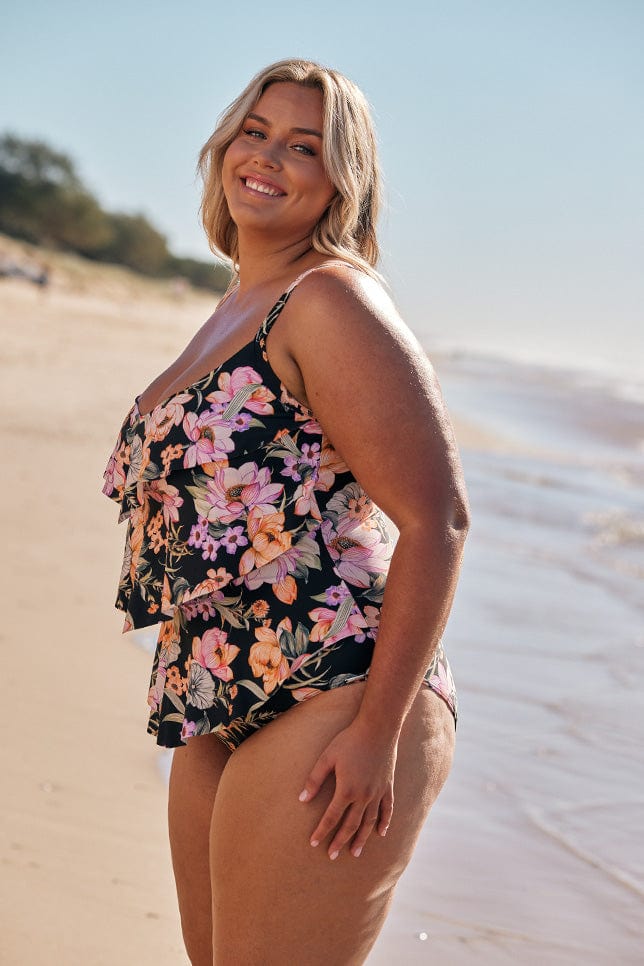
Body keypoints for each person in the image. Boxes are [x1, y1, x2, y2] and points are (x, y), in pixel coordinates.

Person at [103, 58, 470, 966]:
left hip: (338, 687)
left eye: (304, 146)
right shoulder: (237, 304)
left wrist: (378, 734)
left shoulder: (330, 299)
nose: (268, 157)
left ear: (342, 178)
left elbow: (438, 519)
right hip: (214, 690)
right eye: (255, 133)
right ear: (224, 147)